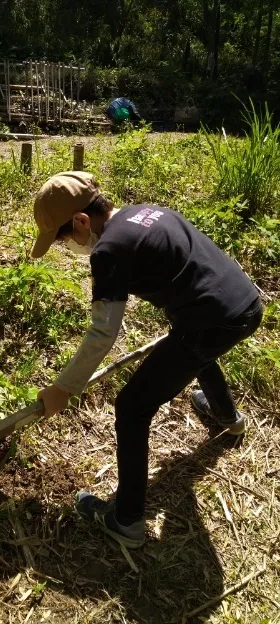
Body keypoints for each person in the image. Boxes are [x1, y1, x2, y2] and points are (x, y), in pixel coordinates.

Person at [30, 171, 263, 550]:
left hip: (212, 321)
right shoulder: (145, 211)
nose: (69, 246)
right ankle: (230, 421)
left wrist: (63, 388)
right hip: (245, 303)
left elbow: (103, 332)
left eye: (64, 238)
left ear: (81, 221)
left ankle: (126, 520)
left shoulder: (108, 251)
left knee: (133, 406)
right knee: (193, 348)